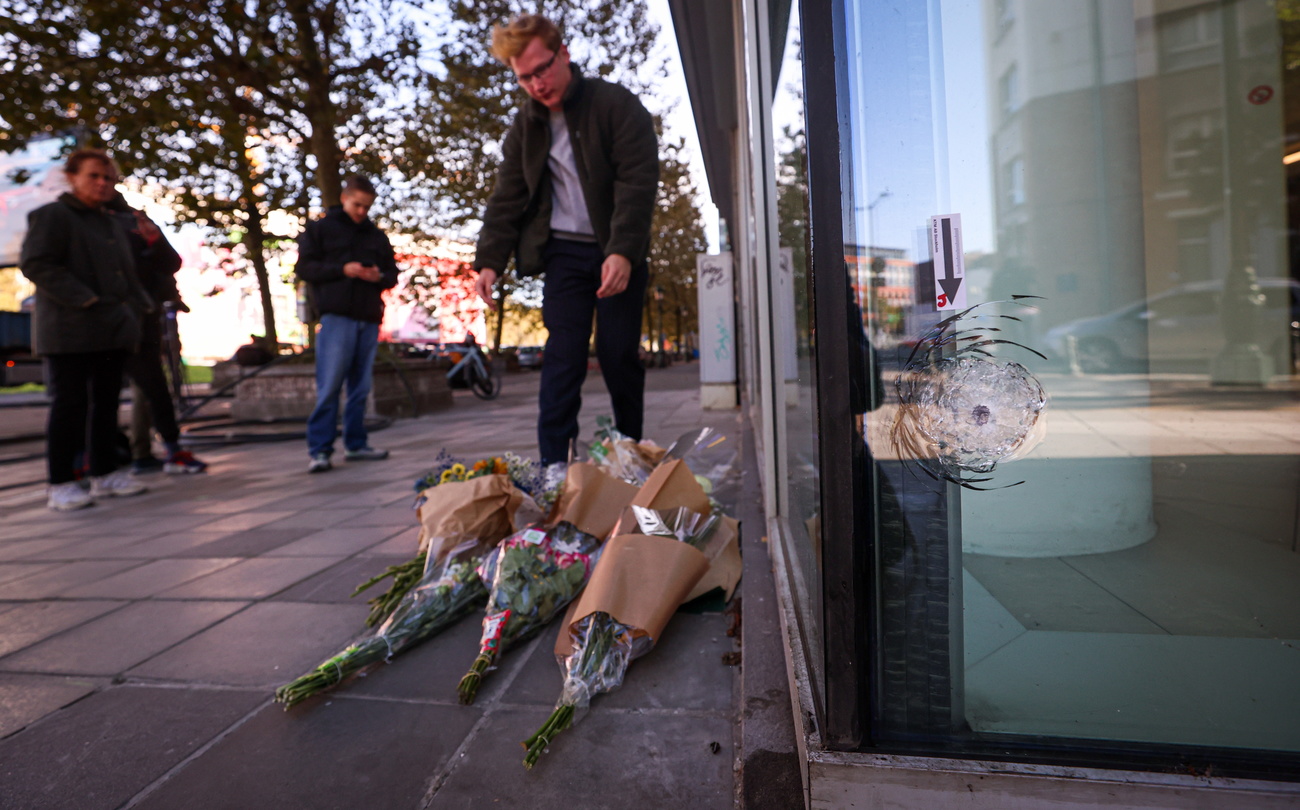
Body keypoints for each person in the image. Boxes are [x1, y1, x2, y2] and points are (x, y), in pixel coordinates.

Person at [472, 13, 659, 465]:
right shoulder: (525, 128)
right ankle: (553, 468)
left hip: (617, 251)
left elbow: (638, 181)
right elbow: (507, 198)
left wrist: (621, 250)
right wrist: (489, 262)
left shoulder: (615, 105)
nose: (536, 83)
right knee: (562, 359)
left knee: (618, 357)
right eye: (524, 77)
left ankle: (630, 454)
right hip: (563, 255)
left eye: (542, 69)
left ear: (564, 54)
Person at [20, 148, 152, 510]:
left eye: (108, 177)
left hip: (110, 330)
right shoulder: (52, 216)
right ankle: (61, 482)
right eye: (94, 175)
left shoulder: (110, 223)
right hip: (69, 330)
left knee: (106, 404)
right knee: (70, 405)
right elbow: (37, 264)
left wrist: (140, 307)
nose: (102, 183)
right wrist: (87, 300)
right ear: (72, 177)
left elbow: (125, 275)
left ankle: (105, 473)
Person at [295, 174, 398, 473]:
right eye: (357, 205)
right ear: (344, 198)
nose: (361, 212)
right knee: (330, 386)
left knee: (360, 387)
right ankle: (320, 449)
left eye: (367, 207)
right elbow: (305, 268)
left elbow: (392, 274)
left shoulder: (376, 236)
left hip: (368, 317)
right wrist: (343, 269)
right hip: (336, 316)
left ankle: (355, 444)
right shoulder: (320, 230)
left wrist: (377, 276)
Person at [106, 194, 208, 475]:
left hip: (141, 316)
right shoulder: (87, 226)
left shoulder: (134, 223)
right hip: (105, 319)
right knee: (104, 392)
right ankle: (106, 459)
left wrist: (153, 239)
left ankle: (161, 451)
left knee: (151, 386)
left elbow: (169, 263)